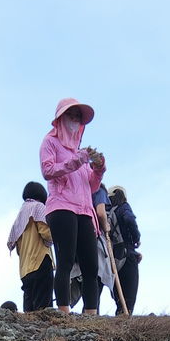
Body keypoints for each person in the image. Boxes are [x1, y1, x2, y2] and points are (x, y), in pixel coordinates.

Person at [40, 98, 105, 315]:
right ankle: (64, 310)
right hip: (61, 207)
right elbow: (47, 170)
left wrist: (98, 170)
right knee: (66, 259)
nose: (75, 121)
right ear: (60, 118)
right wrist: (78, 160)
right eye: (71, 116)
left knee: (90, 265)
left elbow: (91, 186)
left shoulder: (79, 151)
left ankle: (90, 313)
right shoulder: (50, 143)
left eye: (78, 117)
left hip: (84, 210)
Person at [7, 181, 54, 311]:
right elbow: (46, 233)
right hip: (40, 260)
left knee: (29, 307)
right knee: (43, 307)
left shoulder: (20, 215)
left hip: (25, 268)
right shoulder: (38, 207)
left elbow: (17, 248)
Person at [108, 186, 141, 315]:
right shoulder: (124, 207)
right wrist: (136, 238)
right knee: (129, 297)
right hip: (128, 254)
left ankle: (120, 317)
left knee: (119, 296)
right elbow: (129, 219)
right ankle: (125, 321)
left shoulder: (108, 212)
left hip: (114, 258)